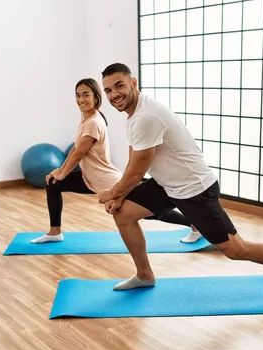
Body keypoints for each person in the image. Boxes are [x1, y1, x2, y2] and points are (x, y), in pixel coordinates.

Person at [97, 63, 263, 293]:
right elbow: (134, 160)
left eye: (119, 86)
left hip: (195, 190)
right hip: (168, 184)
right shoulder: (135, 115)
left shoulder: (146, 117)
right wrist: (120, 196)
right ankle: (144, 275)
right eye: (108, 90)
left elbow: (136, 173)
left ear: (133, 83)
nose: (114, 95)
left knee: (236, 249)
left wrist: (112, 193)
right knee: (123, 214)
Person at [30, 77, 202, 244]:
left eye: (85, 94)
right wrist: (59, 172)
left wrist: (61, 173)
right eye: (78, 95)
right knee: (53, 184)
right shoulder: (86, 119)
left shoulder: (93, 122)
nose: (81, 99)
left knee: (148, 212)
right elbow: (75, 148)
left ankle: (195, 224)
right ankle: (55, 232)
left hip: (106, 180)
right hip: (89, 178)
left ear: (96, 97)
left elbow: (79, 154)